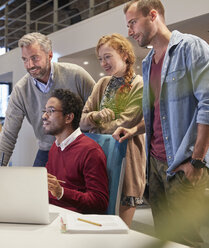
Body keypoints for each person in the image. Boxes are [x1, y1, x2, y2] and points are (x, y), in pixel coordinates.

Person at [117, 0, 209, 246]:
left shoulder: (192, 48)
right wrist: (134, 130)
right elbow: (159, 114)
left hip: (183, 164)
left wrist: (196, 161)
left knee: (187, 240)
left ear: (152, 15)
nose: (130, 31)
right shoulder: (148, 62)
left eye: (133, 23)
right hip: (155, 164)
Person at [0, 32, 95, 167]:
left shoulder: (77, 75)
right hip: (46, 150)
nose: (29, 65)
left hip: (79, 148)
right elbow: (8, 135)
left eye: (34, 58)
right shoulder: (20, 90)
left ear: (50, 55)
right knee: (37, 188)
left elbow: (98, 110)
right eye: (24, 59)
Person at [79, 33, 145, 227]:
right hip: (97, 156)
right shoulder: (102, 83)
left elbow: (125, 123)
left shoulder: (139, 84)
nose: (103, 63)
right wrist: (95, 116)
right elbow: (83, 121)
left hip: (127, 156)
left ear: (124, 54)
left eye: (108, 56)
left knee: (120, 228)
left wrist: (94, 124)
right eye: (100, 58)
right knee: (97, 222)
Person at [44, 89, 109, 214]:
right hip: (52, 214)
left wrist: (62, 192)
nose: (44, 116)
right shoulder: (55, 147)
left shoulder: (90, 151)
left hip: (75, 220)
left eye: (51, 111)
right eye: (45, 111)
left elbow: (100, 202)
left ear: (68, 117)